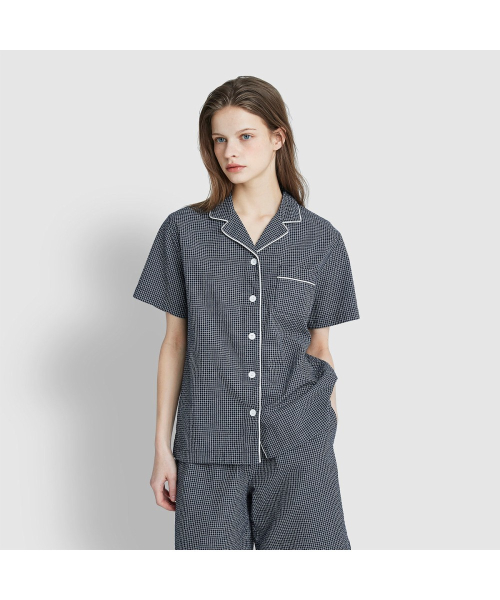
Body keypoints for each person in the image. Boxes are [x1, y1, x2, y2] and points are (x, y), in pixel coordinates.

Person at [133, 75, 360, 550]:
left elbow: (320, 349)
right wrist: (161, 450)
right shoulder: (184, 231)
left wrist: (325, 439)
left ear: (278, 138)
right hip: (207, 447)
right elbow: (174, 342)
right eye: (219, 139)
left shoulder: (321, 239)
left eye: (245, 136)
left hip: (299, 447)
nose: (230, 151)